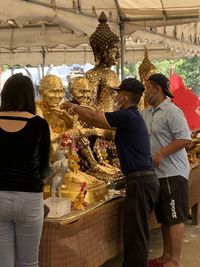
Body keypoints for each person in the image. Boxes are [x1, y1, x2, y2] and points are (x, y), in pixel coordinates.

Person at [61, 77, 160, 267]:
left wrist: (71, 107)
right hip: (141, 181)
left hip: (141, 182)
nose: (115, 97)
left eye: (117, 93)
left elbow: (93, 118)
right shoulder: (129, 117)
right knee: (135, 232)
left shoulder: (128, 116)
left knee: (136, 235)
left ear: (124, 97)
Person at [0, 73, 51, 267]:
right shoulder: (39, 124)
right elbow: (45, 168)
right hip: (29, 197)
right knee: (29, 262)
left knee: (3, 262)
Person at [141, 73, 191, 267]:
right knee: (164, 218)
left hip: (173, 173)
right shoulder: (147, 113)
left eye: (147, 88)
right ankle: (165, 256)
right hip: (157, 174)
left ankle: (175, 260)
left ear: (157, 89)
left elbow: (184, 138)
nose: (145, 92)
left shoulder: (172, 111)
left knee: (174, 217)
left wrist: (162, 153)